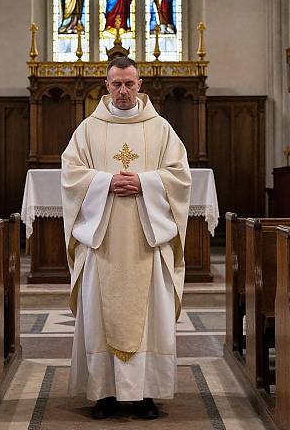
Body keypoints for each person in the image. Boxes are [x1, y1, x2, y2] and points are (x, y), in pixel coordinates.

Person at [61, 56, 191, 420]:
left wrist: (144, 182)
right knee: (98, 313)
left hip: (146, 243)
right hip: (102, 243)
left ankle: (147, 394)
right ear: (106, 85)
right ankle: (102, 394)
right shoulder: (87, 129)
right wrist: (105, 182)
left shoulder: (161, 128)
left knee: (151, 314)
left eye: (129, 84)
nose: (122, 91)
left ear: (140, 84)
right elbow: (71, 174)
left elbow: (180, 175)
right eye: (116, 84)